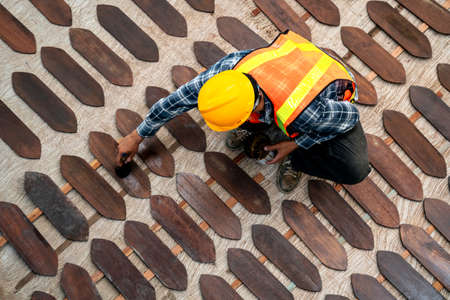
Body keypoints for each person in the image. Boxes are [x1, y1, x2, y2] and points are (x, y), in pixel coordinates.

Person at [117, 30, 370, 193]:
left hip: (328, 93)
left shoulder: (305, 113)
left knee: (355, 169)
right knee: (276, 120)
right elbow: (175, 102)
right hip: (286, 79)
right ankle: (265, 128)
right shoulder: (227, 73)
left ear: (254, 108)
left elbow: (349, 118)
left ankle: (301, 158)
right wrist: (137, 136)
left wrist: (296, 144)